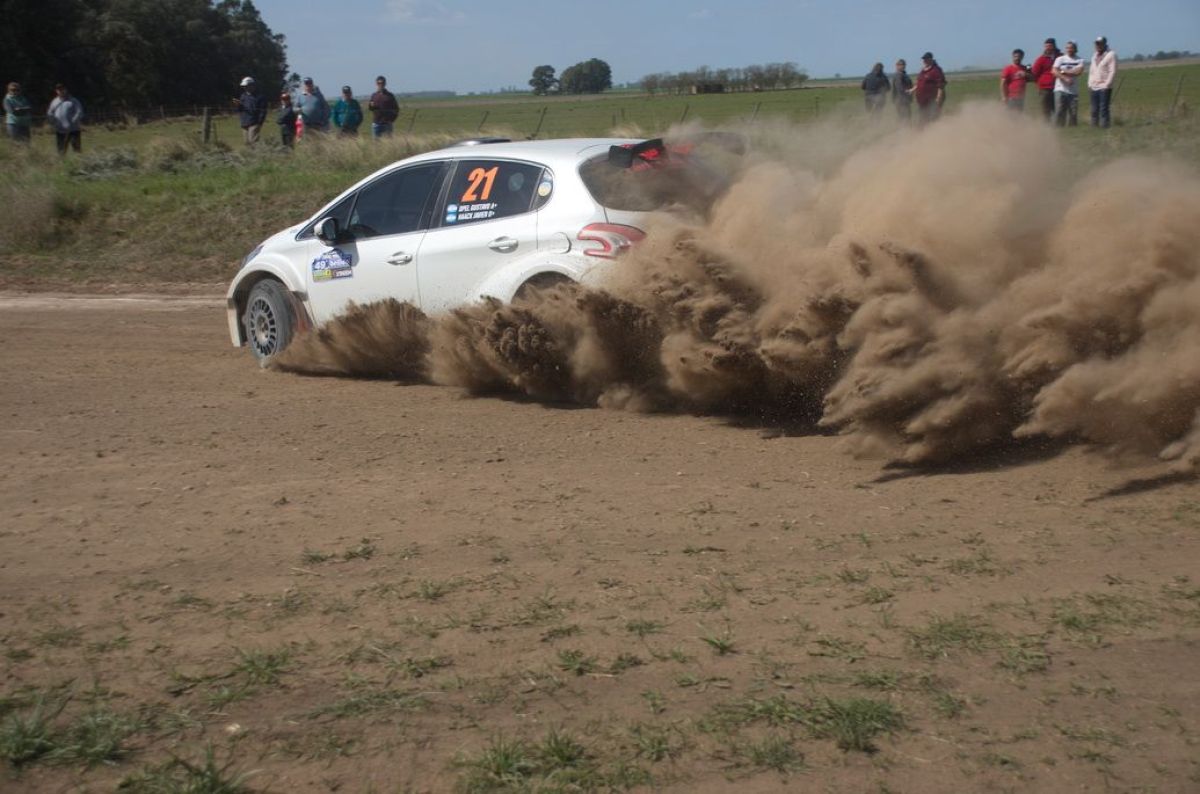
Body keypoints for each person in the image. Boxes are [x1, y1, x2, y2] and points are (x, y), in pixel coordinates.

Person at [1052, 41, 1085, 127]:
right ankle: (1059, 128)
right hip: (1060, 89)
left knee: (1073, 113)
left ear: (1075, 49)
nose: (1069, 49)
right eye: (1068, 48)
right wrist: (1065, 78)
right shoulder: (1060, 59)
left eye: (1071, 48)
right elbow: (1054, 71)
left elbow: (1079, 71)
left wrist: (1063, 71)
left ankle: (1072, 130)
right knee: (1059, 110)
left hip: (1073, 91)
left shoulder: (1080, 60)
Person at [1088, 36, 1117, 128]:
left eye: (1100, 43)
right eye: (1097, 44)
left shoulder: (1111, 54)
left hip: (1104, 86)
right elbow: (1091, 71)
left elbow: (1112, 71)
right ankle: (1094, 127)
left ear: (1105, 44)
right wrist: (1089, 83)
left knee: (1103, 108)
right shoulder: (1094, 55)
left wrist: (1107, 84)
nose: (1098, 45)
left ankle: (1105, 126)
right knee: (1094, 108)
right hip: (1094, 86)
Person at [1030, 38, 1062, 121]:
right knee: (1046, 108)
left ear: (1054, 46)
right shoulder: (1041, 59)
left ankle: (1059, 124)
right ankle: (1046, 125)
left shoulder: (1060, 57)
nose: (1047, 48)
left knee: (1058, 107)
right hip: (1045, 88)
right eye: (1046, 46)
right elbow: (1034, 73)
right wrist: (1039, 84)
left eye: (1049, 46)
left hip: (1059, 87)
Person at [47, 83, 83, 154]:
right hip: (60, 131)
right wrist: (52, 121)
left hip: (73, 130)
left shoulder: (73, 101)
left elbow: (79, 112)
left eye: (62, 89)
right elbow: (50, 112)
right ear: (56, 91)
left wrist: (74, 121)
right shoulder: (54, 101)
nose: (61, 91)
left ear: (66, 90)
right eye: (59, 90)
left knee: (77, 151)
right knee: (61, 152)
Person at [911, 52, 946, 125]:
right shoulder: (923, 70)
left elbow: (940, 84)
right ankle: (922, 133)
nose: (924, 61)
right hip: (922, 100)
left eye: (926, 59)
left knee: (933, 117)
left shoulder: (936, 70)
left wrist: (938, 97)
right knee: (923, 117)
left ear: (931, 59)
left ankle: (934, 132)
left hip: (932, 99)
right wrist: (912, 89)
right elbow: (919, 82)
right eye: (923, 59)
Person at [233, 76, 267, 145]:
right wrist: (238, 105)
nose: (244, 87)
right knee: (246, 143)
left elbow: (263, 111)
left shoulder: (260, 97)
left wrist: (259, 123)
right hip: (245, 123)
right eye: (244, 86)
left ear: (251, 85)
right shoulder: (243, 96)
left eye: (246, 86)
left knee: (253, 142)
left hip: (254, 123)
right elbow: (241, 110)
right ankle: (249, 155)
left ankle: (256, 155)